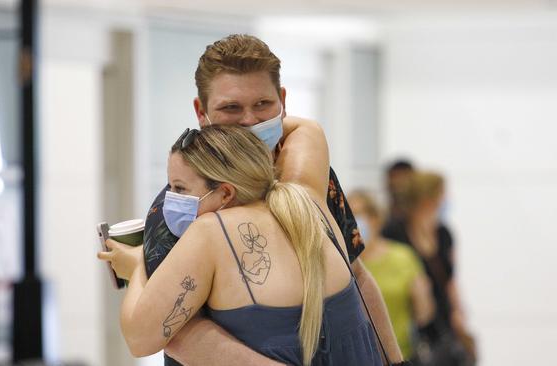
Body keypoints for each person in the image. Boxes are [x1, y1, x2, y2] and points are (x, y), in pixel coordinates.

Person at [139, 34, 404, 365]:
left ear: (282, 100)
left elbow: (356, 276)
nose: (250, 121)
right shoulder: (182, 205)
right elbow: (175, 331)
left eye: (262, 105)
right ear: (201, 112)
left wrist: (395, 361)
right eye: (231, 108)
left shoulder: (312, 178)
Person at [99, 124, 383, 365]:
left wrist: (138, 268)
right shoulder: (308, 197)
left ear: (225, 193)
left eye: (179, 188)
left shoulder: (210, 232)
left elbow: (139, 338)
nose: (169, 200)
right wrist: (254, 130)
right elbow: (307, 129)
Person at [381, 172, 477, 365]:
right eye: (442, 194)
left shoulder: (443, 233)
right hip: (411, 321)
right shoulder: (394, 231)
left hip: (443, 320)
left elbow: (450, 279)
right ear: (427, 199)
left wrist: (458, 311)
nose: (446, 199)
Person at [348, 189, 435, 360]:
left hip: (400, 353)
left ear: (375, 219)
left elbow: (424, 313)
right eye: (348, 214)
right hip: (354, 357)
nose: (352, 221)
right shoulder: (341, 261)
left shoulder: (402, 257)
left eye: (358, 214)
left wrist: (422, 298)